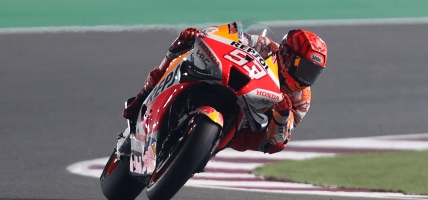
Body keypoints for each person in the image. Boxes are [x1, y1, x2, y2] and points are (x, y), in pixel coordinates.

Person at [122, 23, 328, 154]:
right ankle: (142, 98)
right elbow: (232, 36)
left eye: (313, 72)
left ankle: (203, 146)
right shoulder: (266, 46)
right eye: (304, 68)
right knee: (183, 47)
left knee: (274, 146)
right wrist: (203, 34)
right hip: (227, 80)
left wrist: (282, 113)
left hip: (248, 122)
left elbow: (278, 140)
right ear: (288, 56)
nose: (305, 78)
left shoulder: (302, 98)